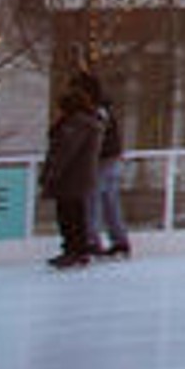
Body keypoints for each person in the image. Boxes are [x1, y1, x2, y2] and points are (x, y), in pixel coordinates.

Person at [38, 73, 104, 269]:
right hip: (77, 178)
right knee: (73, 215)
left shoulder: (77, 124)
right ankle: (76, 250)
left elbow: (65, 152)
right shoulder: (84, 122)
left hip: (71, 178)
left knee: (70, 216)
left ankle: (75, 251)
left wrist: (51, 174)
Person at [78, 69, 131, 259]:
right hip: (112, 159)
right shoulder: (104, 109)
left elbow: (97, 137)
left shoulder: (97, 111)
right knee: (110, 201)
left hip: (103, 161)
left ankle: (93, 241)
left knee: (94, 200)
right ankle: (119, 241)